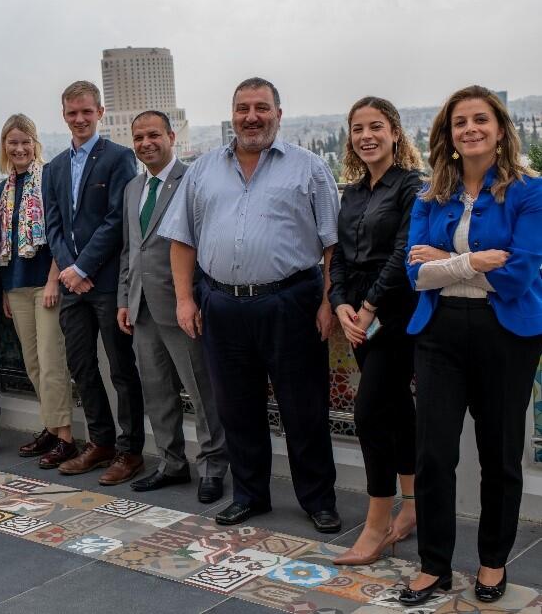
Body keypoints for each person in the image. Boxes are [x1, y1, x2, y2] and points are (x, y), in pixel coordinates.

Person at [160, 77, 342, 533]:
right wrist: (185, 299)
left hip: (291, 303)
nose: (252, 116)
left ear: (278, 113)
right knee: (236, 409)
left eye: (261, 107)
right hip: (221, 304)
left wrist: (327, 302)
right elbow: (182, 240)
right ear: (232, 114)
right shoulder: (202, 170)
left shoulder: (309, 168)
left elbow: (333, 247)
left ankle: (318, 499)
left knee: (304, 409)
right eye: (243, 108)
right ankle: (250, 495)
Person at [399, 86, 542, 606]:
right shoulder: (430, 194)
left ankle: (492, 561)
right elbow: (415, 275)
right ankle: (434, 565)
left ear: (500, 129)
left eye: (480, 119)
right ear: (448, 135)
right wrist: (476, 262)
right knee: (433, 453)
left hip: (505, 335)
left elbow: (519, 274)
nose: (470, 129)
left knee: (499, 455)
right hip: (438, 334)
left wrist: (448, 262)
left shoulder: (530, 191)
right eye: (460, 122)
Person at [328, 98, 424, 566]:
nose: (366, 136)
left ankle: (378, 523)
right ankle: (414, 507)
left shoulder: (412, 186)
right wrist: (341, 303)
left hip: (397, 313)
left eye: (376, 127)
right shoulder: (353, 192)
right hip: (359, 315)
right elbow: (341, 255)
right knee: (397, 409)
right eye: (358, 128)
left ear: (395, 132)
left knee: (368, 414)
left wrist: (367, 307)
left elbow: (404, 254)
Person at [117, 111, 228, 503]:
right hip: (141, 309)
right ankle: (171, 464)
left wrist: (193, 299)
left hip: (182, 307)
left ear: (170, 137)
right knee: (157, 391)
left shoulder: (192, 181)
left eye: (153, 135)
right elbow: (131, 249)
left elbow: (203, 243)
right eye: (138, 137)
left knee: (201, 391)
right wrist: (124, 299)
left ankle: (213, 467)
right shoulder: (133, 188)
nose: (146, 143)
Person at [43, 80, 144, 485]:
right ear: (64, 115)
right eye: (72, 113)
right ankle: (99, 442)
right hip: (73, 286)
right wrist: (70, 269)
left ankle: (130, 450)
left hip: (105, 282)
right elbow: (53, 224)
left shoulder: (119, 158)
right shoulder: (53, 168)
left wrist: (83, 268)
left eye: (87, 112)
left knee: (121, 369)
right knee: (82, 367)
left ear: (99, 112)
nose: (80, 119)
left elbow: (116, 219)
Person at [0, 114, 76, 468]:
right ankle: (51, 428)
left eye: (25, 141)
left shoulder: (48, 181)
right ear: (4, 146)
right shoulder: (3, 189)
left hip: (46, 284)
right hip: (15, 285)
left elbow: (60, 234)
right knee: (32, 364)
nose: (19, 148)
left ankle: (67, 438)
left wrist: (54, 279)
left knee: (52, 361)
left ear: (35, 143)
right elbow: (3, 244)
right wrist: (4, 292)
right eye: (13, 142)